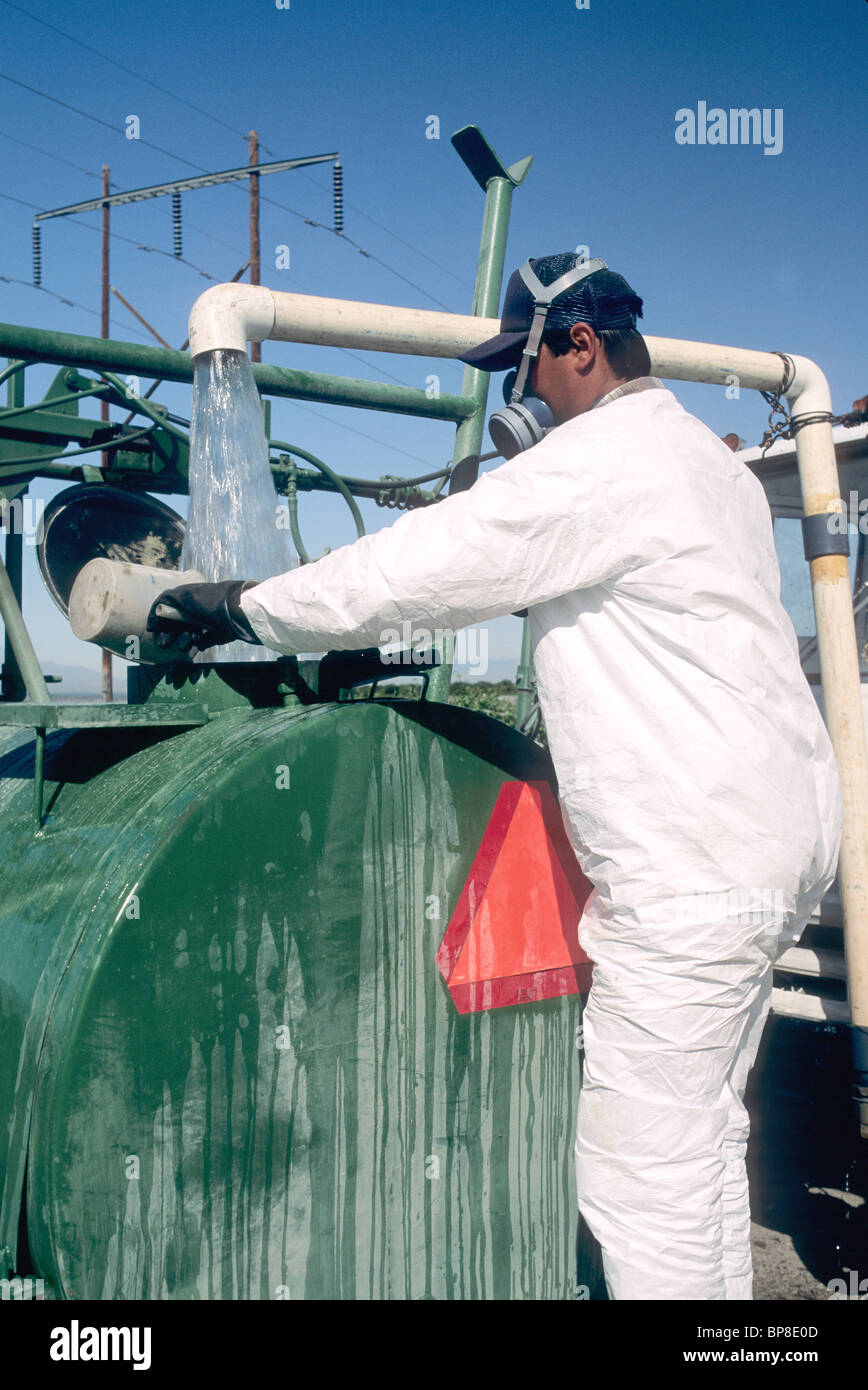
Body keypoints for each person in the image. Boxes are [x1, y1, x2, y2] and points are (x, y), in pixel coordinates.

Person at [149, 253, 843, 1300]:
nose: (515, 401)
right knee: (699, 1137)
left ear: (576, 346)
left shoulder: (603, 460)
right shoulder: (707, 462)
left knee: (640, 1177)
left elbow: (415, 569)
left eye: (518, 375)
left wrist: (244, 605)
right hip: (774, 845)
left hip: (693, 869)